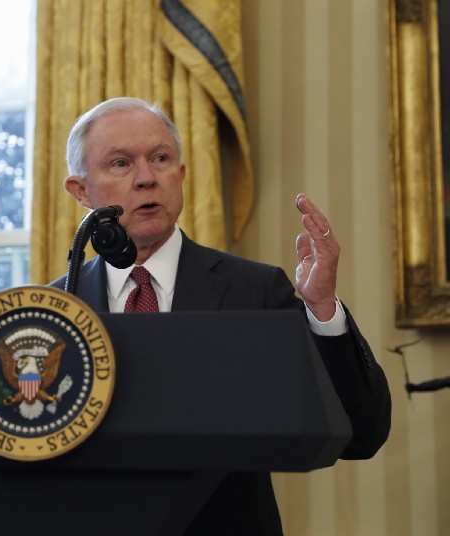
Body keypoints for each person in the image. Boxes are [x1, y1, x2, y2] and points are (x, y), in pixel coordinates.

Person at [51, 97, 391, 535]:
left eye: (160, 159)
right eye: (119, 164)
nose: (146, 179)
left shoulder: (254, 291)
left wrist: (322, 310)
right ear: (81, 191)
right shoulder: (55, 307)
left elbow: (360, 432)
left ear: (181, 175)